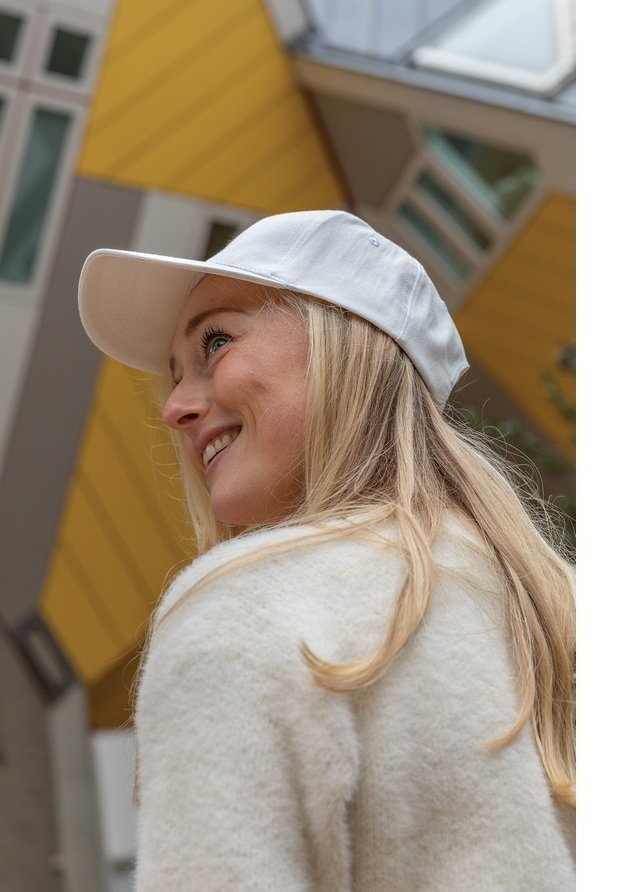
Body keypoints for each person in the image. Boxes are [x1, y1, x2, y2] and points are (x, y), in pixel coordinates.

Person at [78, 209, 576, 891]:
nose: (175, 407)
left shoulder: (243, 617)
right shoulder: (552, 618)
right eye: (175, 376)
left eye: (215, 342)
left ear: (345, 346)